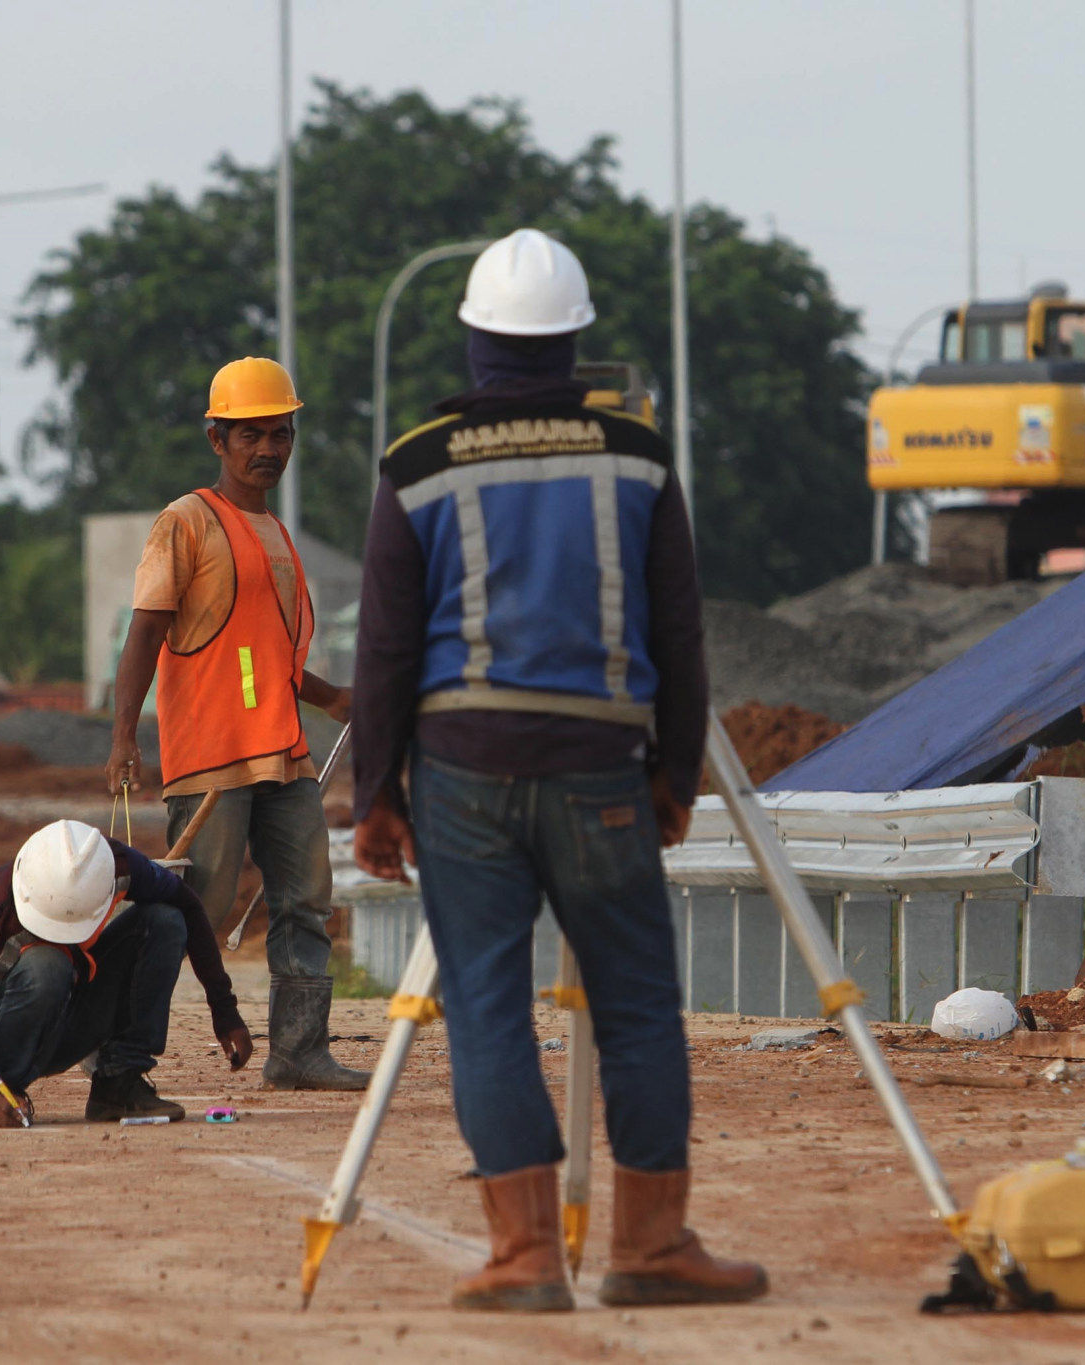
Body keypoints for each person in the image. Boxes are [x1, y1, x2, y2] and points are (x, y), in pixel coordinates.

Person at [352, 228, 767, 1311]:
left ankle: (526, 1259)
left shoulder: (417, 463)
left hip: (461, 775)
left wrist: (374, 799)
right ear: (574, 340)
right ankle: (649, 1247)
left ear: (475, 340)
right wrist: (675, 774)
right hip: (601, 773)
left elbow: (386, 650)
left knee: (487, 1007)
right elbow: (680, 634)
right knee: (634, 1006)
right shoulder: (637, 453)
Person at [105, 357, 368, 1092]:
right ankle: (115, 1044)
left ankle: (298, 1051)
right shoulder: (185, 522)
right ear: (216, 438)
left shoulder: (278, 536)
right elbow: (146, 632)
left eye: (281, 433)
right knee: (194, 912)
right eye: (252, 434)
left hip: (283, 752)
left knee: (306, 898)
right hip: (213, 756)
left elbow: (268, 656)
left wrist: (331, 699)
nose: (269, 449)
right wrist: (125, 735)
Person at [0, 819, 252, 1125]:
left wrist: (224, 1010)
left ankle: (118, 1083)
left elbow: (189, 906)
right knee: (47, 963)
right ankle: (9, 1093)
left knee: (164, 921)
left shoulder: (112, 865)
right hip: (6, 1049)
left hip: (73, 1011)